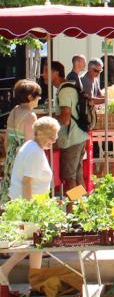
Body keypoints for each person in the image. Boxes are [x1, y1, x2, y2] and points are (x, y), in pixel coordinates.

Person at [0, 117, 59, 285]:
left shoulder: (32, 146)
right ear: (41, 135)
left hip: (31, 201)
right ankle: (5, 270)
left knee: (36, 244)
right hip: (30, 203)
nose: (54, 140)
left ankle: (35, 279)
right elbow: (27, 182)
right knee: (33, 242)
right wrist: (28, 209)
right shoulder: (34, 151)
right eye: (52, 136)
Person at [46, 61, 88, 190]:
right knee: (76, 175)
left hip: (71, 139)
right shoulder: (69, 87)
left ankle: (72, 208)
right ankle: (81, 207)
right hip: (79, 136)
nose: (43, 75)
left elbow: (65, 119)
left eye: (46, 71)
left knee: (70, 178)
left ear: (55, 73)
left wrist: (49, 119)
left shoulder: (64, 91)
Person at [0, 80, 40, 204]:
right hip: (22, 162)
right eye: (37, 95)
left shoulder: (14, 111)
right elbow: (29, 143)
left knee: (10, 196)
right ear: (30, 97)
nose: (39, 98)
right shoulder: (30, 115)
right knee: (23, 197)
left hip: (11, 159)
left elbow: (7, 140)